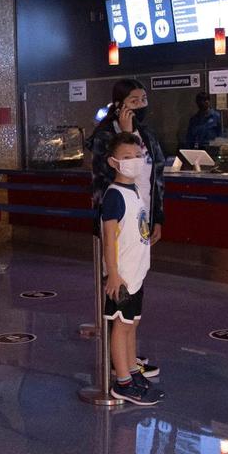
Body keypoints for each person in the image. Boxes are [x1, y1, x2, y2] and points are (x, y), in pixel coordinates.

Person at [87, 79, 165, 379]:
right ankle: (117, 366)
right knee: (119, 295)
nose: (141, 105)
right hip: (117, 223)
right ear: (119, 104)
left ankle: (129, 359)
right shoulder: (105, 137)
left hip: (141, 219)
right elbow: (103, 178)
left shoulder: (146, 134)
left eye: (143, 98)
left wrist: (158, 216)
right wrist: (123, 132)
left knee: (135, 294)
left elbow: (155, 176)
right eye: (134, 100)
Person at [102, 132, 162, 405]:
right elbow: (109, 235)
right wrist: (113, 273)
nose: (134, 161)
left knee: (132, 324)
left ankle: (131, 370)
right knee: (121, 325)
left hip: (136, 273)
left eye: (138, 156)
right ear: (114, 162)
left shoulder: (135, 190)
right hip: (122, 276)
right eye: (127, 157)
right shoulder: (114, 195)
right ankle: (122, 381)